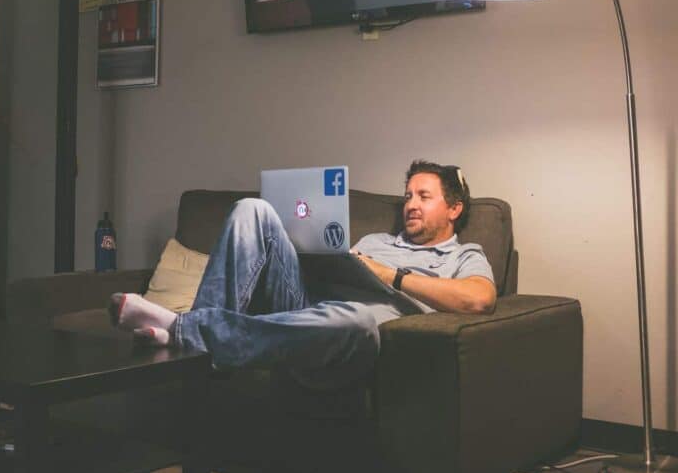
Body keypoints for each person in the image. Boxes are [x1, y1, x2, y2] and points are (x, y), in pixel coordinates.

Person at [109, 160, 496, 389]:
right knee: (251, 210)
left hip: (348, 338)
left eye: (424, 196)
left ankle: (185, 331)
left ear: (455, 209)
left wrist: (389, 274)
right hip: (301, 305)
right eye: (408, 195)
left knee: (357, 318)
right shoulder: (377, 239)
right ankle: (198, 338)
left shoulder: (462, 255)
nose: (411, 204)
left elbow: (478, 299)